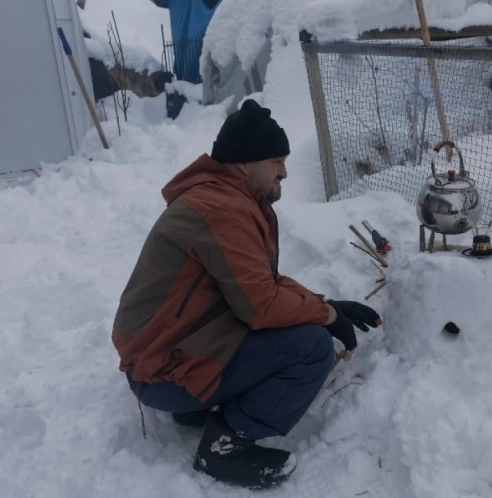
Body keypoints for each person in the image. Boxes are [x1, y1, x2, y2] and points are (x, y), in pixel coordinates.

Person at [111, 99, 382, 489]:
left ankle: (196, 405)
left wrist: (326, 305)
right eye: (276, 161)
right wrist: (326, 318)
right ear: (244, 163)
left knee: (295, 326)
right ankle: (224, 447)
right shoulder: (221, 210)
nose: (285, 172)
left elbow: (257, 283)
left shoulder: (225, 199)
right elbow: (263, 305)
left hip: (160, 356)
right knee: (310, 348)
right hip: (160, 373)